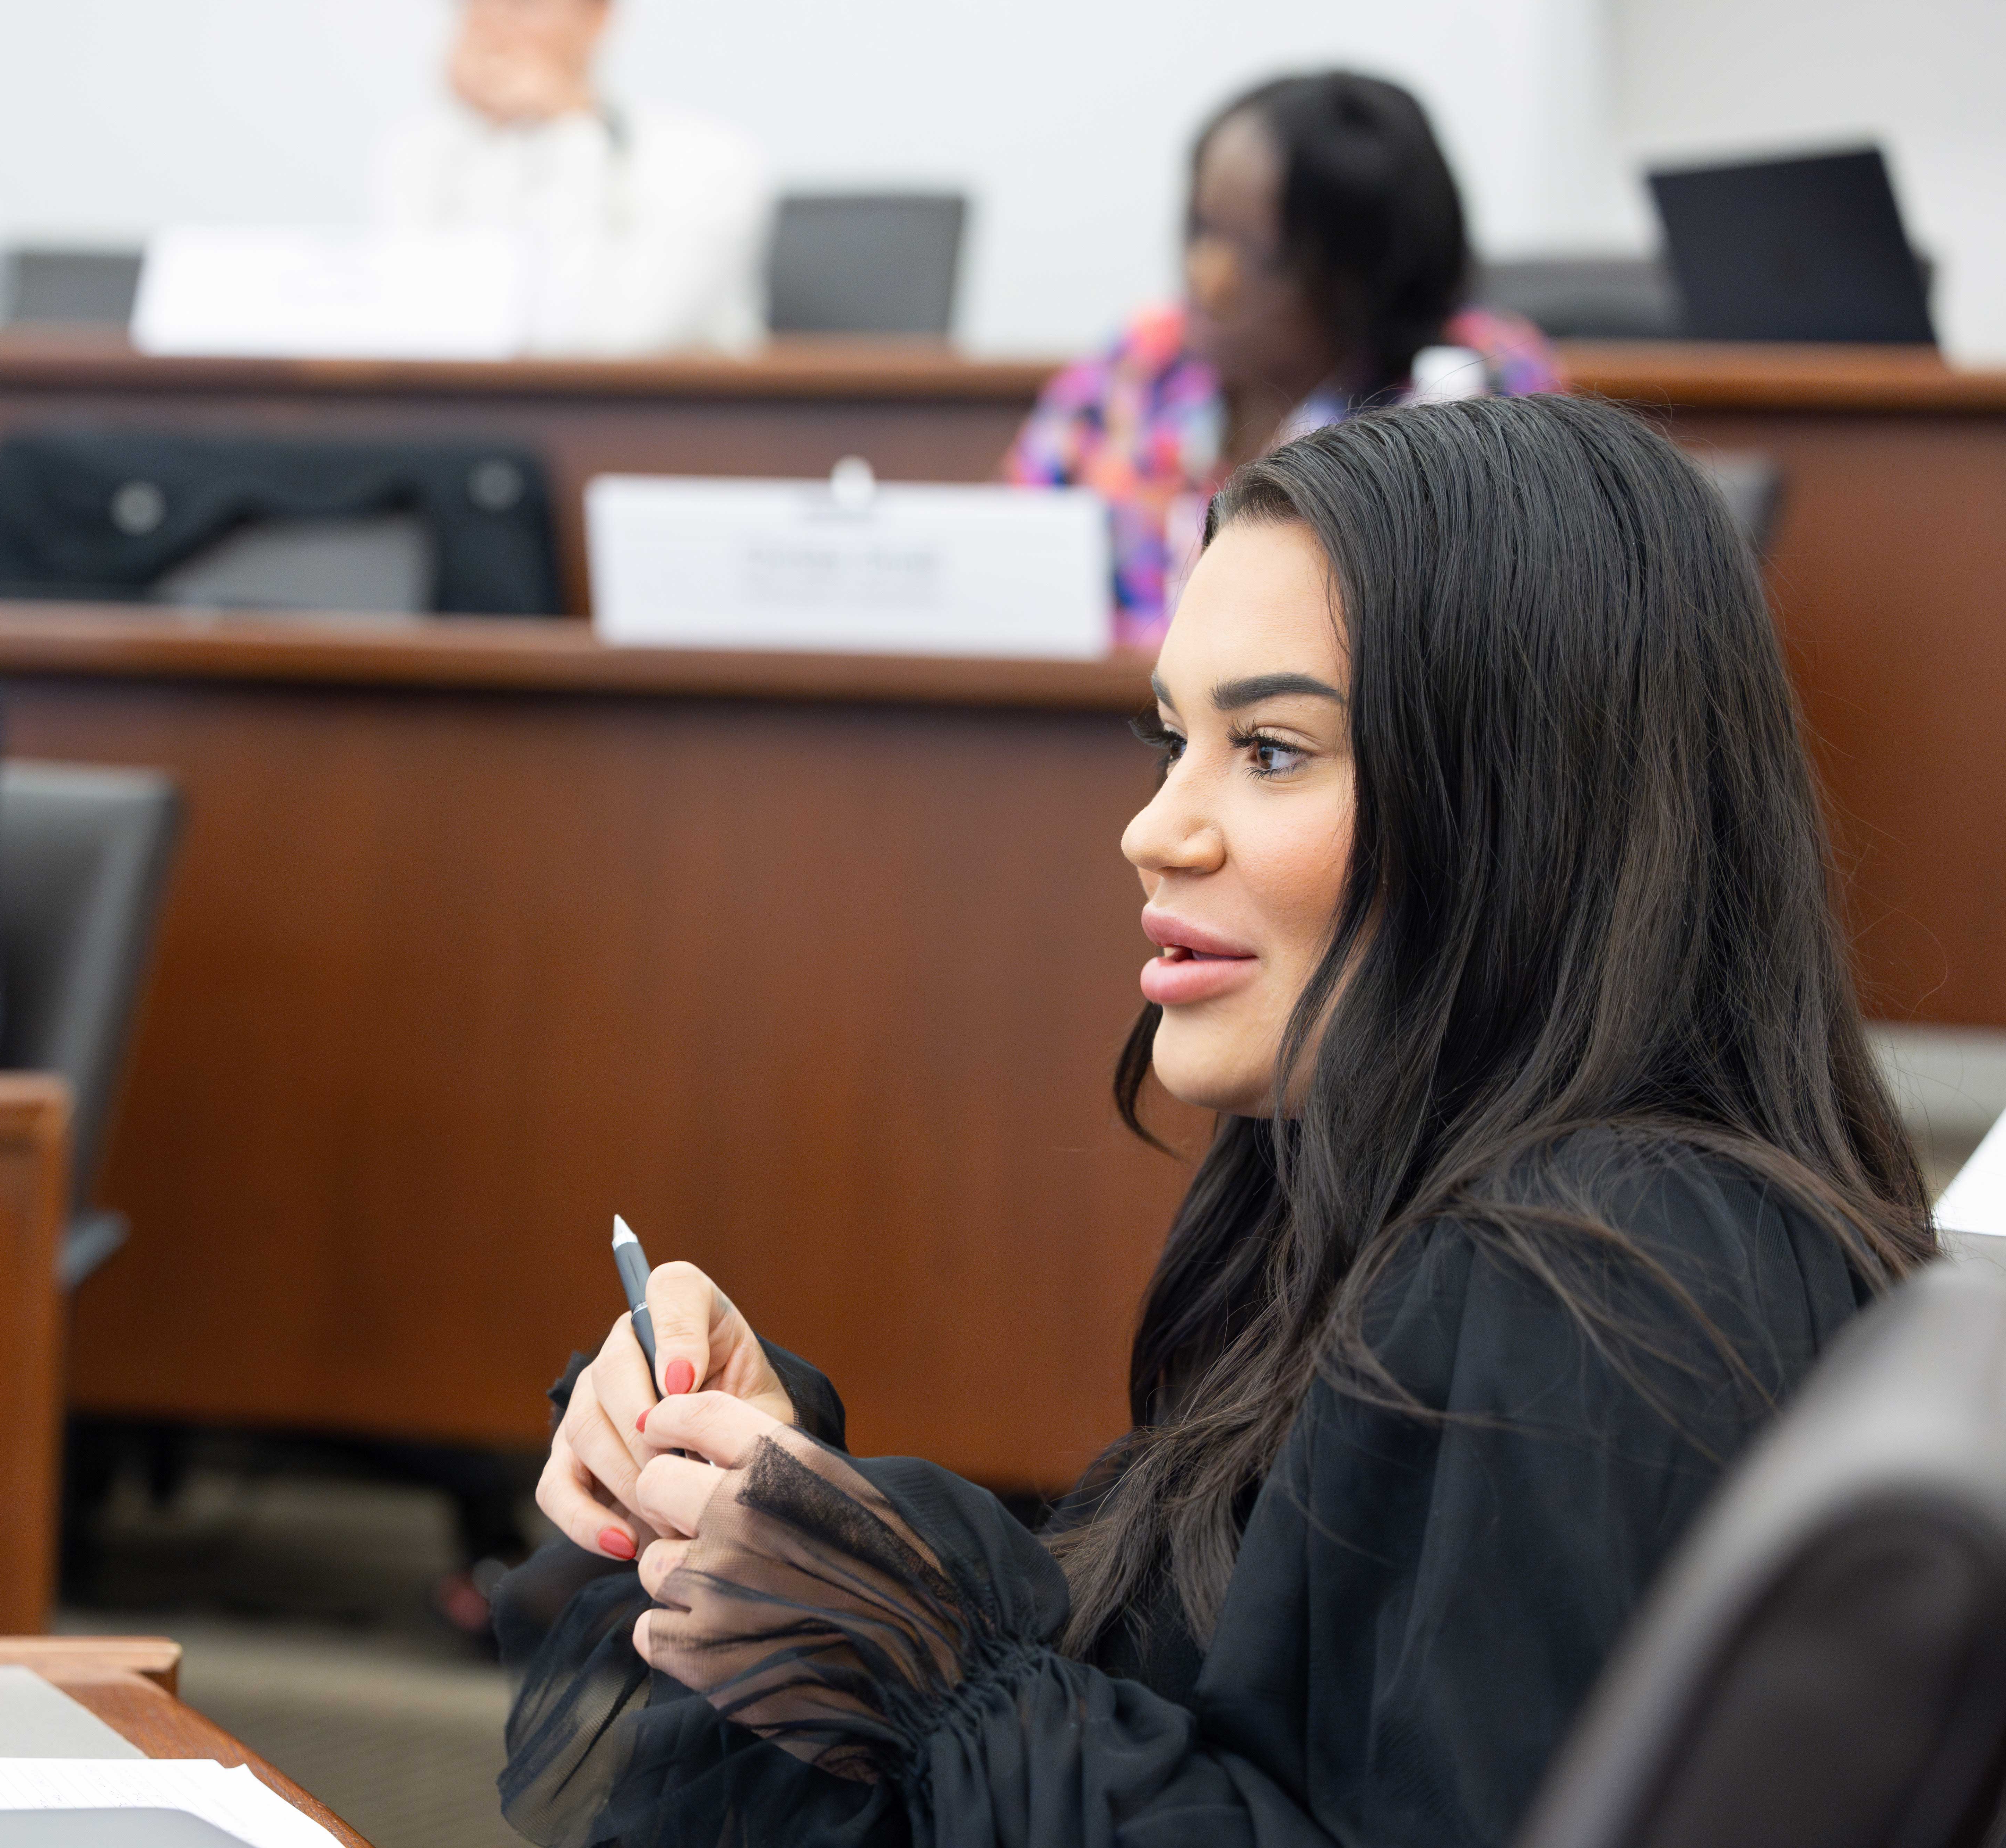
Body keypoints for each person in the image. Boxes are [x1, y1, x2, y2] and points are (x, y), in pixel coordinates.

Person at [493, 392, 1935, 1847]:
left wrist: (926, 1667)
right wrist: (791, 1505)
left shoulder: (1593, 1273)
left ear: (1526, 800)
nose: (1154, 828)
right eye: (1171, 735)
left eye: (1272, 748)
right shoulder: (1409, 1185)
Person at [1008, 71, 1565, 648]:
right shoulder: (1142, 359)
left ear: (1358, 272)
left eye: (1258, 254)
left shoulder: (1479, 385)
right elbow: (1005, 561)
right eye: (1201, 229)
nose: (1206, 276)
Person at [374, 0, 772, 356]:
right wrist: (492, 140)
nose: (487, 21)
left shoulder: (708, 162)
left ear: (598, 11)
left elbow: (603, 344)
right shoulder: (419, 154)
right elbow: (418, 325)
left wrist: (569, 129)